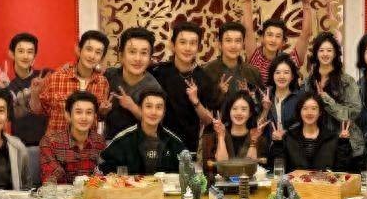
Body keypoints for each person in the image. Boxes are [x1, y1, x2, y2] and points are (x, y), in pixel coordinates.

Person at [150, 21, 216, 152]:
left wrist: (196, 102)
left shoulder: (204, 78)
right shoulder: (158, 72)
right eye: (183, 42)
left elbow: (209, 121)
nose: (188, 48)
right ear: (173, 45)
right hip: (159, 146)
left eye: (193, 43)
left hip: (188, 148)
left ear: (198, 47)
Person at [30, 30, 110, 134]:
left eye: (98, 52)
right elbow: (38, 110)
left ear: (102, 58)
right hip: (56, 142)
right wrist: (35, 94)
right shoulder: (57, 77)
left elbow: (98, 118)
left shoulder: (102, 83)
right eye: (89, 49)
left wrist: (102, 112)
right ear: (79, 50)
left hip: (87, 143)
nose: (92, 56)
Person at [302, 32, 364, 167]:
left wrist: (327, 100)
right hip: (318, 144)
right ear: (316, 53)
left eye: (329, 50)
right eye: (321, 50)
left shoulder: (346, 81)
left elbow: (353, 113)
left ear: (336, 53)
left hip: (344, 142)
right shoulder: (308, 82)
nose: (325, 54)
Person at [99, 89, 186, 175]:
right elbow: (104, 170)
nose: (153, 112)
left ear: (163, 113)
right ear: (140, 109)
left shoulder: (174, 142)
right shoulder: (123, 139)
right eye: (148, 106)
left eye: (159, 107)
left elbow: (185, 172)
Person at [241, 0, 313, 85]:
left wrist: (306, 4)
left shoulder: (289, 61)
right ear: (262, 38)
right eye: (269, 35)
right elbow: (248, 31)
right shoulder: (255, 58)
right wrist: (247, 1)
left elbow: (306, 35)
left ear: (283, 42)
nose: (273, 40)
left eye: (278, 36)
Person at [103, 27, 163, 140]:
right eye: (132, 52)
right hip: (109, 142)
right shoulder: (109, 76)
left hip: (139, 144)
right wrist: (102, 111)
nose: (138, 58)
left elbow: (156, 125)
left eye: (144, 53)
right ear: (121, 56)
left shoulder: (154, 88)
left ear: (150, 59)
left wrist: (133, 107)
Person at [268, 91, 352, 172]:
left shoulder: (332, 138)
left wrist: (344, 143)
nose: (309, 112)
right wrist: (277, 144)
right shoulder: (289, 137)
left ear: (320, 112)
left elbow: (342, 170)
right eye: (305, 108)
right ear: (300, 112)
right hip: (295, 182)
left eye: (314, 108)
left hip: (323, 182)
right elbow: (277, 169)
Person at [0, 32, 52, 146]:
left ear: (34, 56)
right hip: (19, 147)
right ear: (12, 54)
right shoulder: (7, 86)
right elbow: (6, 118)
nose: (25, 56)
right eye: (21, 51)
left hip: (45, 147)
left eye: (30, 52)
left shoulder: (44, 76)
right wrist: (5, 90)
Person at [39, 91, 106, 183]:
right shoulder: (50, 142)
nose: (84, 118)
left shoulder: (99, 142)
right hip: (61, 192)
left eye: (89, 112)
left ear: (95, 116)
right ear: (68, 115)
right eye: (78, 112)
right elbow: (50, 182)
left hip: (92, 191)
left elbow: (103, 178)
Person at [202, 90, 268, 180]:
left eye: (244, 109)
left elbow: (250, 166)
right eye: (234, 108)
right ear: (229, 111)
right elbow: (222, 165)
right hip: (223, 185)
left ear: (250, 113)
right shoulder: (218, 134)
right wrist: (221, 136)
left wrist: (253, 141)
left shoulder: (257, 136)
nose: (239, 113)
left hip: (248, 185)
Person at [203, 21, 263, 109]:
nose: (233, 46)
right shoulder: (207, 71)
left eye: (238, 41)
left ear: (243, 44)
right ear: (220, 44)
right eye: (228, 40)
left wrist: (251, 97)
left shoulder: (253, 72)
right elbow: (203, 105)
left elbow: (260, 105)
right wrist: (219, 93)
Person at [263, 53, 302, 133]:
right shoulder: (265, 96)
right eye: (277, 72)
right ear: (272, 75)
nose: (281, 76)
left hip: (292, 140)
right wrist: (265, 110)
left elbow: (302, 124)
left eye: (286, 72)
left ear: (292, 76)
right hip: (269, 141)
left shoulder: (299, 98)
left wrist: (285, 133)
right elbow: (259, 127)